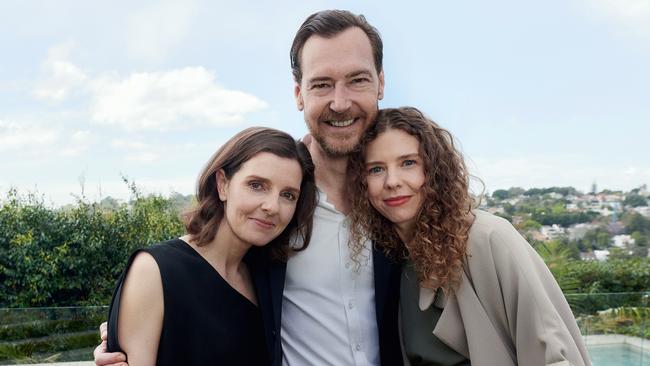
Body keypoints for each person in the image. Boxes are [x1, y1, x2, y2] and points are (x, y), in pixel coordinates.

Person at [95, 10, 403, 366]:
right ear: (299, 94)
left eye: (357, 80)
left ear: (380, 82)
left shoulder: (399, 195)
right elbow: (200, 279)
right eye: (321, 84)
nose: (340, 102)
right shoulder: (275, 211)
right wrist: (129, 331)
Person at [347, 107, 592, 366]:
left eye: (408, 163)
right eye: (376, 169)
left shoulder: (489, 238)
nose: (392, 181)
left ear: (434, 170)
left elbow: (552, 354)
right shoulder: (395, 259)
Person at [105, 127, 317, 365]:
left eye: (288, 195)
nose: (272, 206)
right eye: (257, 185)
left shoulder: (267, 277)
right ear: (223, 184)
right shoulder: (155, 270)